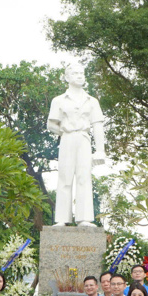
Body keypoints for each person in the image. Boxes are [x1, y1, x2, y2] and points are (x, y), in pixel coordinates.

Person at [47, 62, 106, 226]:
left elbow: (98, 124)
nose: (80, 76)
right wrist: (66, 132)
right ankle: (61, 219)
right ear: (67, 77)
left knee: (84, 177)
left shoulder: (92, 101)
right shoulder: (58, 100)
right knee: (64, 177)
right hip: (67, 139)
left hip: (84, 139)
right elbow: (51, 125)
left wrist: (100, 150)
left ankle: (84, 218)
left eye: (82, 73)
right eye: (75, 73)